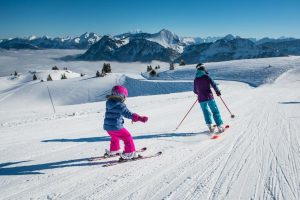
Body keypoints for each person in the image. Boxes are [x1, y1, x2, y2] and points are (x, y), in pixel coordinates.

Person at [103, 85, 148, 160]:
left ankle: (114, 150)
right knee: (127, 137)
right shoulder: (120, 105)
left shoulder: (109, 102)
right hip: (116, 126)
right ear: (122, 96)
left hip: (108, 127)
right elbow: (128, 114)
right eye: (125, 97)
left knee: (115, 136)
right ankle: (130, 153)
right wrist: (139, 118)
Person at [193, 63, 225, 133]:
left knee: (205, 112)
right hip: (209, 97)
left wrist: (199, 93)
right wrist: (218, 92)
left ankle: (210, 127)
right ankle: (220, 126)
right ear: (203, 68)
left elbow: (195, 90)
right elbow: (213, 85)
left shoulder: (196, 79)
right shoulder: (206, 76)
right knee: (215, 111)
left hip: (201, 99)